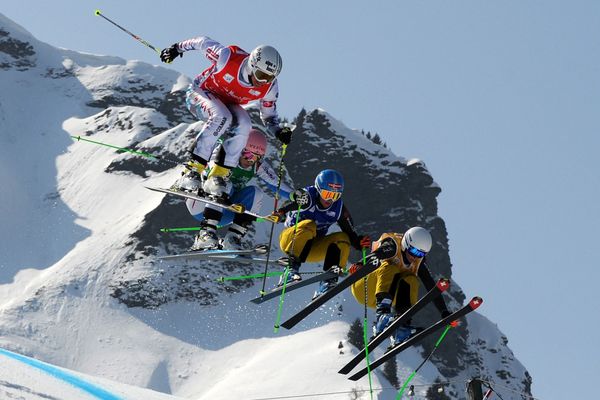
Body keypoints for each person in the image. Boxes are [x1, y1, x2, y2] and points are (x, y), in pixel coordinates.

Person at [160, 36, 292, 200]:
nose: (262, 81)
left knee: (244, 124)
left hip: (227, 104)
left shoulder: (269, 87)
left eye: (269, 77)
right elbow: (202, 42)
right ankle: (192, 172)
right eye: (260, 74)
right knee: (221, 117)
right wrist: (176, 48)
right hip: (199, 93)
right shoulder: (227, 58)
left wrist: (278, 131)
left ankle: (218, 176)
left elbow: (269, 115)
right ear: (252, 65)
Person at [270, 169, 371, 299]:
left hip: (313, 248)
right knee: (309, 224)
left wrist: (359, 242)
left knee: (343, 238)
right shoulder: (308, 196)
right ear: (318, 189)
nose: (330, 199)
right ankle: (290, 270)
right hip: (291, 241)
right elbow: (292, 201)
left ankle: (328, 281)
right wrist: (281, 212)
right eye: (327, 194)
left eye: (335, 196)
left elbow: (350, 233)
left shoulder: (338, 208)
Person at [186, 129, 292, 251]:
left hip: (226, 212)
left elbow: (275, 183)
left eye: (256, 157)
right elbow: (211, 164)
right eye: (248, 155)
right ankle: (205, 234)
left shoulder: (257, 165)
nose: (250, 161)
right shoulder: (225, 152)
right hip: (200, 205)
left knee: (256, 193)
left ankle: (232, 238)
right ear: (240, 148)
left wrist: (295, 195)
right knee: (224, 183)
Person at [350, 227, 452, 346]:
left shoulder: (419, 262)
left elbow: (431, 286)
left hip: (385, 296)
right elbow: (376, 255)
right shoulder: (393, 246)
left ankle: (401, 326)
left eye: (421, 254)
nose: (415, 257)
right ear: (406, 244)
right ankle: (382, 317)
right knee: (390, 267)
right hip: (364, 289)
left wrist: (444, 312)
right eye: (414, 252)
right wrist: (360, 264)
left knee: (411, 279)